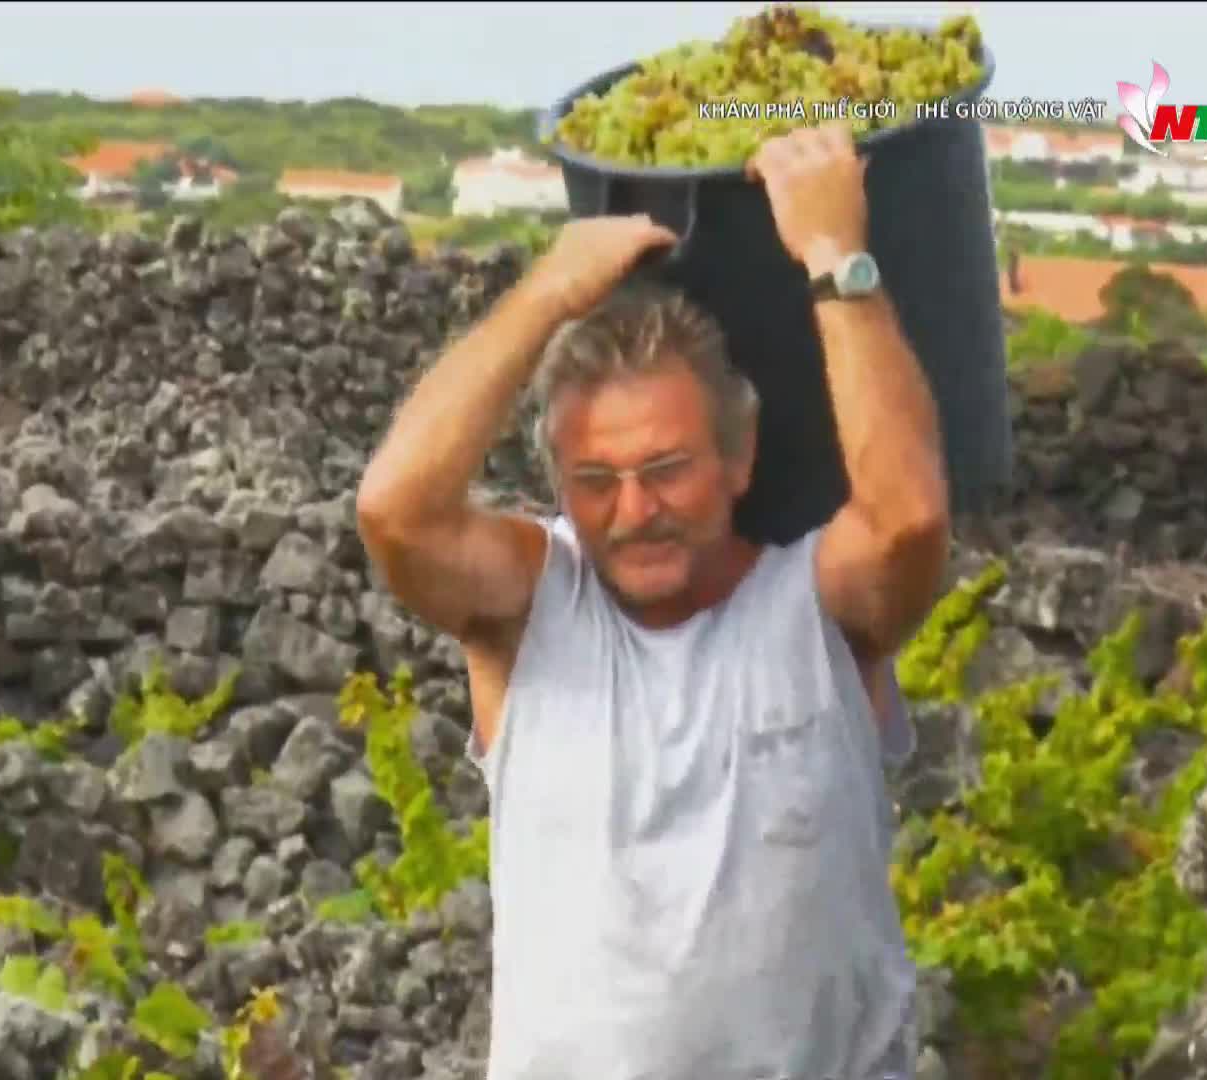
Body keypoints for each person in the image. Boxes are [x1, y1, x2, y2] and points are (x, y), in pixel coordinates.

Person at [354, 120, 948, 1080]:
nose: (635, 512)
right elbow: (395, 512)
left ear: (738, 459)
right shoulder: (531, 612)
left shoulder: (817, 610)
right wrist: (548, 293)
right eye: (597, 481)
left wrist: (836, 254)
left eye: (668, 469)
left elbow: (909, 519)